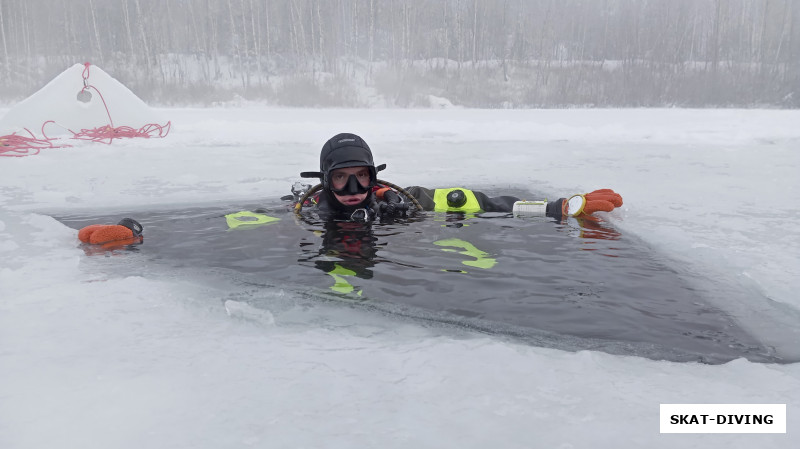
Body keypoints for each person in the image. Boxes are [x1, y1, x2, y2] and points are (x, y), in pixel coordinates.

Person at [296, 132, 623, 221]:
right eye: (341, 179)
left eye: (361, 176)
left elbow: (477, 202)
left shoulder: (401, 201)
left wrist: (555, 208)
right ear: (326, 180)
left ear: (373, 176)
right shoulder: (307, 214)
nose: (354, 189)